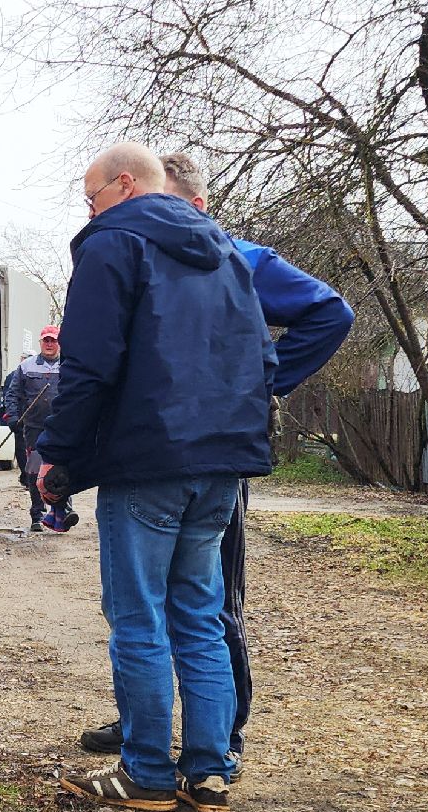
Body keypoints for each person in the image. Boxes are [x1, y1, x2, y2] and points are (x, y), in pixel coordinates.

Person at [76, 153, 354, 774]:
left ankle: (201, 746)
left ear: (194, 206)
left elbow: (330, 312)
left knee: (180, 611)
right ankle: (188, 752)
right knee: (185, 609)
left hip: (173, 455)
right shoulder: (180, 255)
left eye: (168, 205)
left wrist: (257, 389)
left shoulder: (234, 255)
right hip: (210, 454)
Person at [38, 143, 275, 812]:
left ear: (124, 184)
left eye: (91, 197)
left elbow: (89, 367)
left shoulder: (113, 245)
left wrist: (58, 453)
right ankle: (209, 774)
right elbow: (262, 358)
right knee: (200, 618)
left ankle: (145, 772)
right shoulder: (227, 252)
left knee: (138, 618)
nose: (89, 211)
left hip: (148, 462)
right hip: (221, 466)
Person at [2, 325, 76, 532]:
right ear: (41, 343)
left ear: (60, 343)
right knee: (35, 471)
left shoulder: (69, 366)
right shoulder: (26, 367)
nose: (49, 344)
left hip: (62, 428)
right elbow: (12, 394)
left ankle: (62, 511)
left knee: (62, 469)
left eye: (53, 340)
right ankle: (37, 514)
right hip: (34, 428)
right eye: (46, 340)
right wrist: (13, 417)